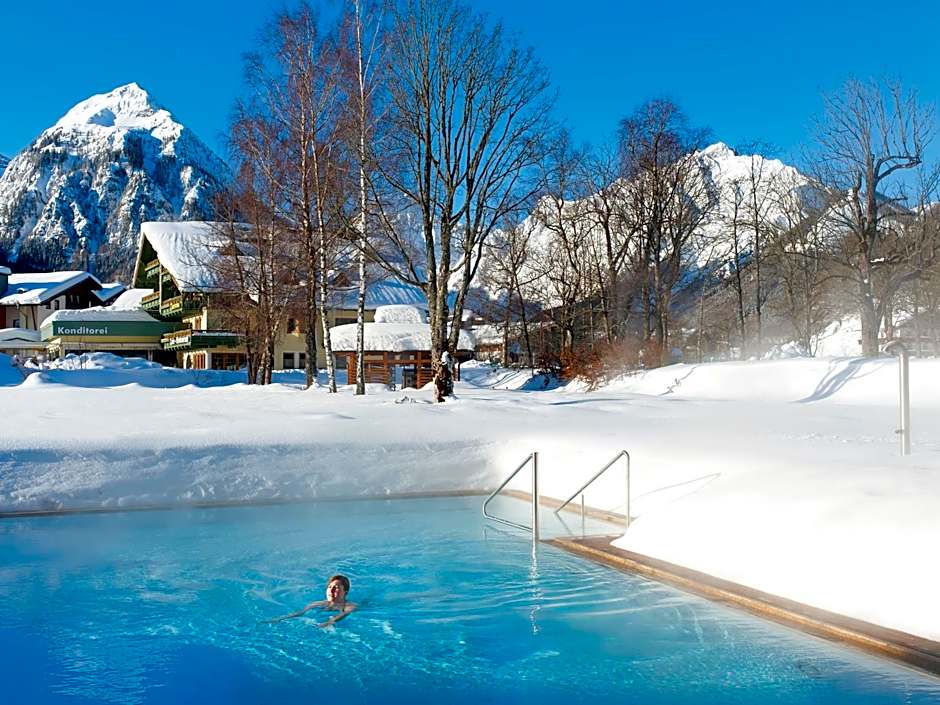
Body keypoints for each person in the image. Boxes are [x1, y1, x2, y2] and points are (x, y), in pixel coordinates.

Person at [266, 574, 357, 628]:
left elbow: (343, 614)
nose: (331, 590)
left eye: (336, 588)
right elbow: (299, 613)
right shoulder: (317, 604)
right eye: (329, 587)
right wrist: (279, 619)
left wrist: (329, 622)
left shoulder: (350, 606)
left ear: (345, 591)